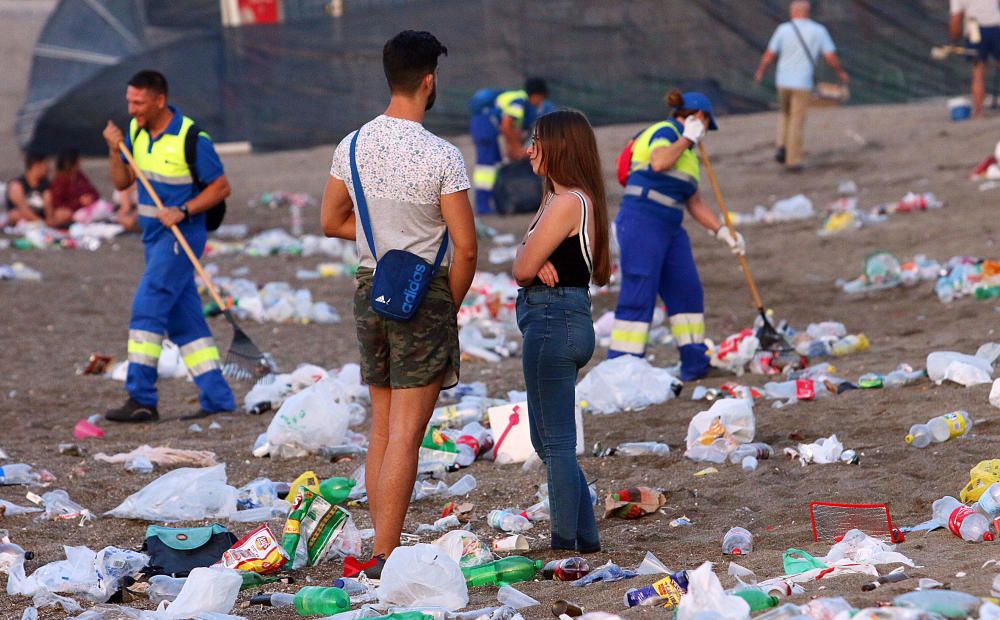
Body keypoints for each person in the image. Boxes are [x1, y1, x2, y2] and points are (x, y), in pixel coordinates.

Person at [321, 30, 477, 571]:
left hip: (370, 287)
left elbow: (330, 221)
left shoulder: (353, 145)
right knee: (408, 436)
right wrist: (446, 308)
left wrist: (379, 240)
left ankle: (374, 546)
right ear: (429, 81)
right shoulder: (443, 156)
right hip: (424, 296)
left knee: (382, 429)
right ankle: (385, 553)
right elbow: (467, 249)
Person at [101, 69, 236, 422]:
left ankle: (141, 398)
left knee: (147, 309)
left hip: (181, 238)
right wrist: (115, 150)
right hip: (153, 237)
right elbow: (122, 181)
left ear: (159, 100)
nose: (132, 110)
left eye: (139, 102)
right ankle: (218, 397)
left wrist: (184, 209)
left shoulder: (192, 137)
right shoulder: (135, 130)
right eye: (129, 102)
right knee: (185, 322)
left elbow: (221, 187)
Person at [511, 109, 610, 553]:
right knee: (548, 440)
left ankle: (564, 542)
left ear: (559, 148)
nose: (529, 149)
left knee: (556, 443)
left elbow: (520, 268)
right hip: (564, 320)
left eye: (537, 141)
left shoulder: (569, 200)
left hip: (553, 321)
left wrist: (533, 262)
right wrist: (535, 259)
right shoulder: (564, 199)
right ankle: (585, 539)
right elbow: (529, 258)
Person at [608, 90, 745, 382]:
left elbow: (694, 203)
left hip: (670, 226)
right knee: (640, 290)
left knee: (687, 290)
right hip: (641, 220)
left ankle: (695, 363)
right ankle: (622, 367)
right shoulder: (666, 131)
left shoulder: (690, 155)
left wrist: (722, 231)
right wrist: (687, 138)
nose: (706, 131)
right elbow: (658, 162)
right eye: (707, 124)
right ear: (698, 116)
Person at [753, 0, 849, 171]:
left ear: (793, 12)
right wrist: (840, 72)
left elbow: (769, 54)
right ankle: (793, 160)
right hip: (802, 82)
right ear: (807, 11)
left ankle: (782, 146)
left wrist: (761, 70)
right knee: (797, 120)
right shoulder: (819, 31)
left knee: (784, 114)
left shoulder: (783, 29)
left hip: (782, 81)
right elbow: (830, 56)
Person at [469, 77, 549, 213]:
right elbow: (506, 126)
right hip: (485, 127)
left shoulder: (520, 100)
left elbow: (513, 129)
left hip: (487, 127)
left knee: (494, 165)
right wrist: (516, 149)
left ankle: (490, 204)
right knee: (486, 167)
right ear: (536, 95)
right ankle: (483, 207)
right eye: (541, 99)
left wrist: (513, 146)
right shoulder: (519, 102)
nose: (540, 103)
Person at [950, 0, 1000, 118]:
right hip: (996, 26)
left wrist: (954, 38)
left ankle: (978, 112)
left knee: (978, 71)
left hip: (974, 27)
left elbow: (956, 18)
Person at [50, 149, 108, 227]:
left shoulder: (80, 176)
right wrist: (79, 202)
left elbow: (94, 191)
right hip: (71, 211)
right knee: (63, 214)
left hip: (86, 208)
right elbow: (58, 204)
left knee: (102, 206)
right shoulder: (60, 181)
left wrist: (89, 198)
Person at [5, 152, 51, 225]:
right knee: (15, 215)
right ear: (36, 166)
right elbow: (23, 209)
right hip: (26, 220)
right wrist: (41, 223)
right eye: (45, 164)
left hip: (42, 219)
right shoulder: (17, 185)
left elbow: (50, 210)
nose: (48, 168)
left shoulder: (46, 185)